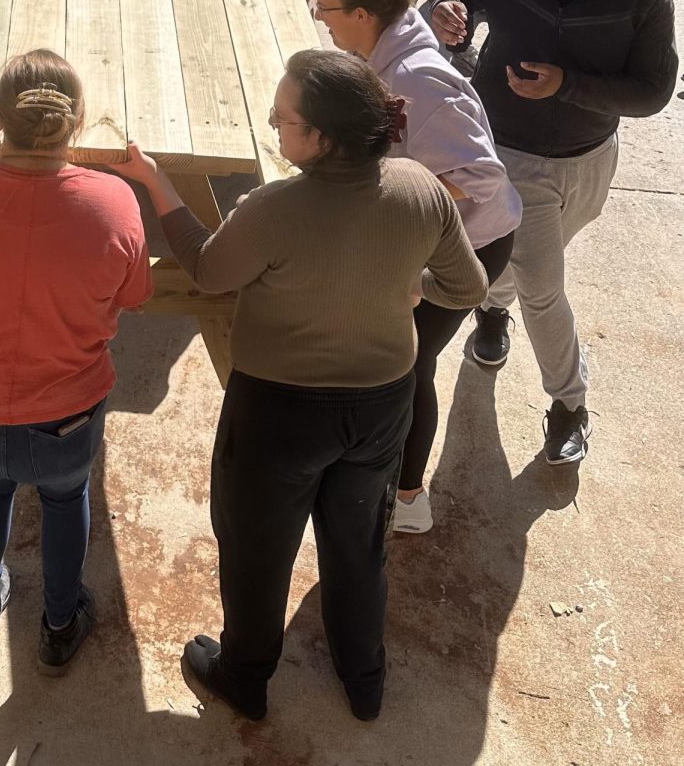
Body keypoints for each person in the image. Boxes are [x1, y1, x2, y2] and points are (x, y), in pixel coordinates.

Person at [112, 51, 488, 722]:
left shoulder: (272, 208)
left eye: (284, 120)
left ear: (321, 138)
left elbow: (206, 269)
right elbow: (467, 287)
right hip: (381, 405)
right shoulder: (420, 188)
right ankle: (363, 675)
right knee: (358, 543)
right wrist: (405, 285)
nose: (273, 126)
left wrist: (156, 182)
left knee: (258, 549)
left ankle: (246, 676)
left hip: (278, 415)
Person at [424, 0, 677, 465]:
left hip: (591, 158)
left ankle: (490, 307)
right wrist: (446, 7)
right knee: (544, 285)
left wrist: (569, 84)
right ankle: (570, 405)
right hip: (507, 153)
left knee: (524, 259)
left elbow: (653, 91)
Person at [0, 50, 152, 674]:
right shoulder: (114, 199)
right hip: (66, 410)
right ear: (76, 124)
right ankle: (59, 621)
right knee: (65, 499)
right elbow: (135, 295)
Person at [314, 0, 522, 534]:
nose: (320, 20)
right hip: (431, 238)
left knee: (410, 364)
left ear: (360, 15)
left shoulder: (418, 81)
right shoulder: (384, 52)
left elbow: (481, 178)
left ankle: (407, 501)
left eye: (324, 9)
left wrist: (396, 196)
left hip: (469, 244)